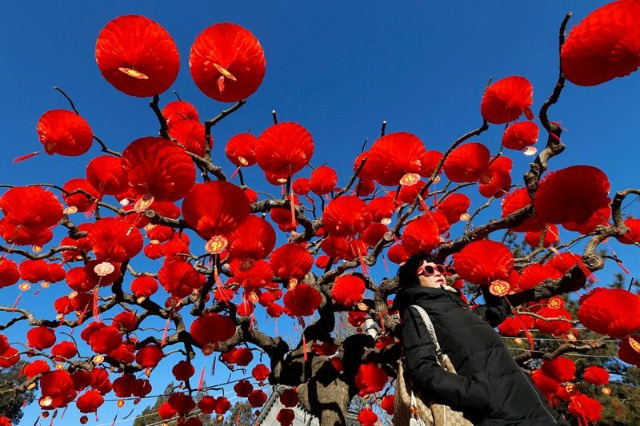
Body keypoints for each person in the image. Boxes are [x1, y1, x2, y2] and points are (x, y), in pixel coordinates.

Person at [393, 254, 569, 425]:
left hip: (536, 406)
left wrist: (486, 276)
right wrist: (477, 394)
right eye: (429, 270)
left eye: (440, 268)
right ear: (414, 279)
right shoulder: (416, 311)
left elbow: (496, 310)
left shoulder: (462, 309)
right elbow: (422, 367)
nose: (439, 273)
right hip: (498, 414)